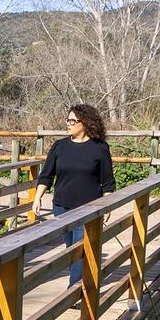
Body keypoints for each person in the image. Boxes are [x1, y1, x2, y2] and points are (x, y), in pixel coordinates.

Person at [30, 104, 116, 289]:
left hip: (89, 208)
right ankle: (82, 281)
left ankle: (74, 290)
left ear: (84, 123)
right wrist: (37, 198)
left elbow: (108, 181)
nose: (68, 124)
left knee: (81, 249)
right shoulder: (59, 146)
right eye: (67, 120)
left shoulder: (99, 148)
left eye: (72, 121)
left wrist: (107, 205)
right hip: (62, 206)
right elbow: (47, 175)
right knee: (72, 250)